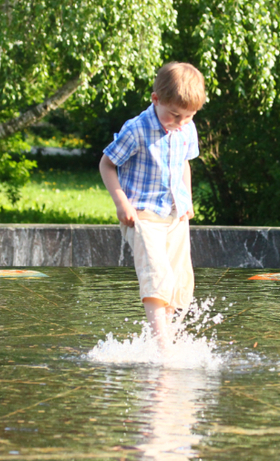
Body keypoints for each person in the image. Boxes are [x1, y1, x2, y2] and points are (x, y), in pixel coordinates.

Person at [99, 62, 205, 348]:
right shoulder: (136, 130)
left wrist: (187, 198)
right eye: (175, 115)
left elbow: (183, 163)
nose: (181, 122)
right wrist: (121, 203)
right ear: (155, 99)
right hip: (142, 215)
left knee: (178, 281)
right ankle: (163, 350)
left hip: (175, 214)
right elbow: (107, 164)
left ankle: (165, 339)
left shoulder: (187, 128)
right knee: (157, 275)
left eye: (188, 116)